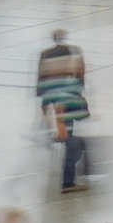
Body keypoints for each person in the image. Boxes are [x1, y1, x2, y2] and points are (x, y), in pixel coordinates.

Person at [37, 30, 92, 193]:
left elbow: (45, 98)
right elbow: (59, 100)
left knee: (73, 143)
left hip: (66, 110)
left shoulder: (49, 60)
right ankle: (68, 182)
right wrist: (59, 124)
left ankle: (70, 178)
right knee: (74, 145)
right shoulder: (66, 72)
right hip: (65, 113)